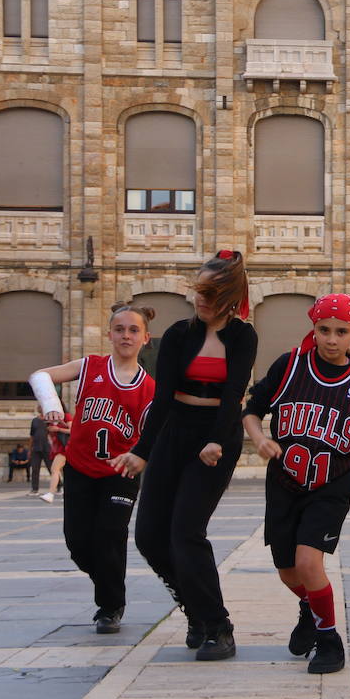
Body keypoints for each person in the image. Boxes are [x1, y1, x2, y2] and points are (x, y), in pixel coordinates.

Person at [243, 294, 350, 674]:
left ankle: (329, 640)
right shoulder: (290, 365)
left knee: (309, 563)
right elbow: (253, 408)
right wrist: (259, 438)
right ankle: (311, 608)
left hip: (332, 482)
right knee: (288, 570)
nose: (331, 339)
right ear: (314, 329)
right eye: (324, 330)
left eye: (341, 332)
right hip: (284, 479)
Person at [112, 250, 256, 661]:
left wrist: (215, 441)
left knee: (186, 532)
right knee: (149, 537)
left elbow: (233, 396)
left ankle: (218, 627)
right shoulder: (177, 334)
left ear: (229, 295)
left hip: (215, 441)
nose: (202, 299)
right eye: (199, 290)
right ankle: (196, 611)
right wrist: (141, 451)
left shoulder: (243, 336)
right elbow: (161, 398)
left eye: (211, 292)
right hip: (173, 433)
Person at [30, 303, 156, 633]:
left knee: (109, 537)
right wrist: (52, 406)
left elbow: (152, 435)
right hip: (81, 469)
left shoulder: (150, 389)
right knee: (78, 543)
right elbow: (40, 376)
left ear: (145, 337)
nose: (126, 335)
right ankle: (108, 584)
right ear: (109, 334)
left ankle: (110, 606)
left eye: (133, 330)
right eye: (120, 329)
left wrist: (137, 455)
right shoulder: (90, 367)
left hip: (121, 474)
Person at [40, 421, 71, 503]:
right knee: (64, 472)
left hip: (64, 448)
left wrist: (58, 429)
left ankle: (51, 494)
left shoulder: (66, 417)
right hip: (58, 448)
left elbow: (72, 430)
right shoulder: (50, 420)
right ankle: (67, 494)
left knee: (54, 469)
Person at [28, 413, 53, 497]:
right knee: (35, 469)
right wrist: (30, 449)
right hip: (36, 448)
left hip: (47, 448)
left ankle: (59, 485)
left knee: (51, 468)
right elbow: (31, 435)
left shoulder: (49, 420)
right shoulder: (34, 420)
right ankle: (35, 489)